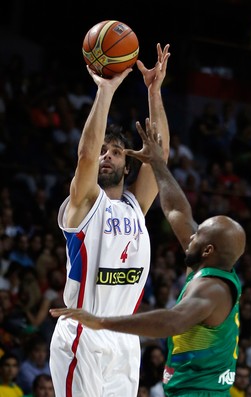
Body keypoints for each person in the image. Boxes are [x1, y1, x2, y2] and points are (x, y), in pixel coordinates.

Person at [50, 118, 246, 397]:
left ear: (208, 250)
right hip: (91, 333)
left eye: (197, 235)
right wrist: (157, 158)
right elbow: (178, 210)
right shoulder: (207, 263)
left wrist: (103, 322)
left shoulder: (212, 288)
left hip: (194, 389)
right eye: (103, 150)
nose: (190, 236)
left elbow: (171, 322)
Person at [48, 44, 170, 397]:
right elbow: (85, 155)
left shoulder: (136, 206)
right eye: (104, 150)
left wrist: (154, 91)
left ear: (127, 166)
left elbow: (160, 156)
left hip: (124, 342)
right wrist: (105, 89)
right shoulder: (85, 203)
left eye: (115, 152)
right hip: (82, 336)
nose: (106, 156)